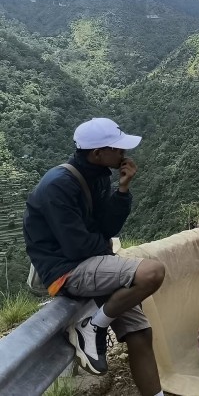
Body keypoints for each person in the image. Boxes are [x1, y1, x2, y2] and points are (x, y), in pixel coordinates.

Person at [23, 117, 166, 396]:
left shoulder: (98, 176)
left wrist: (122, 190)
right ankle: (92, 326)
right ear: (97, 153)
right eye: (117, 148)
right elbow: (77, 247)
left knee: (140, 334)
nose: (123, 153)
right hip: (67, 271)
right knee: (152, 273)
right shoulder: (58, 185)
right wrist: (107, 250)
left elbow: (107, 228)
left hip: (93, 262)